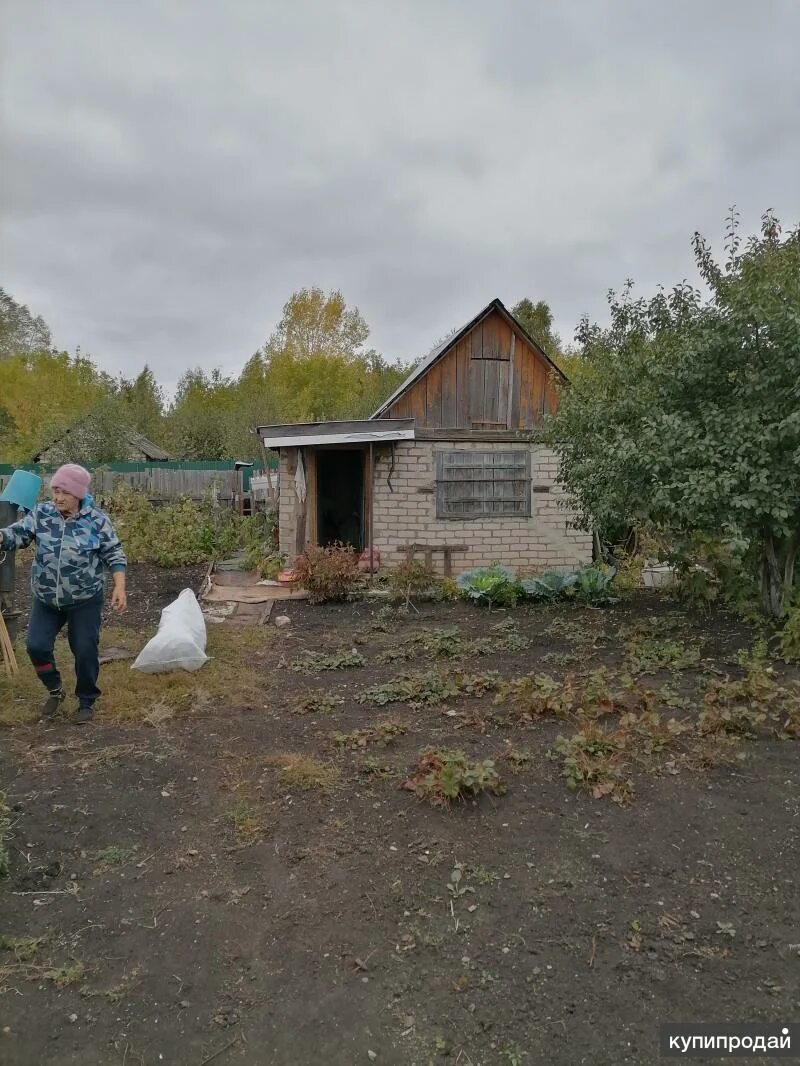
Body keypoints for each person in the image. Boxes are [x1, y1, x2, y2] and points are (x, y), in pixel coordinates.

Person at [0, 463, 127, 724]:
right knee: (35, 646)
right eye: (55, 491)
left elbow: (114, 553)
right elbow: (19, 534)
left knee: (84, 649)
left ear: (78, 494)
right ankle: (55, 690)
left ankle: (86, 700)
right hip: (46, 598)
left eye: (63, 492)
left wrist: (120, 586)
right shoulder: (42, 514)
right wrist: (2, 537)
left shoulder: (97, 520)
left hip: (85, 600)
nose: (57, 497)